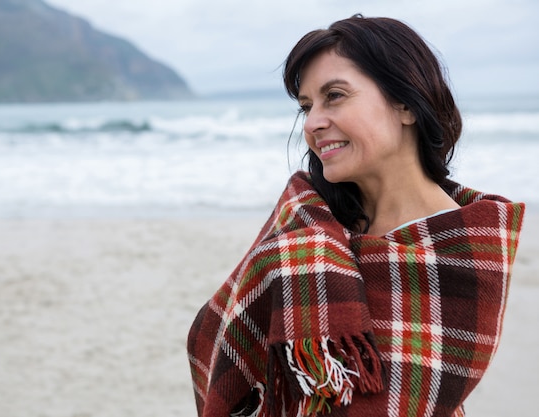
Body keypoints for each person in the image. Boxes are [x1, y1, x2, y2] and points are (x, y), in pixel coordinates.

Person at [187, 15, 525, 417]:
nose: (313, 123)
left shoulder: (465, 248)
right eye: (306, 106)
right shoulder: (305, 220)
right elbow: (218, 338)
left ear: (406, 104)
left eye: (335, 95)